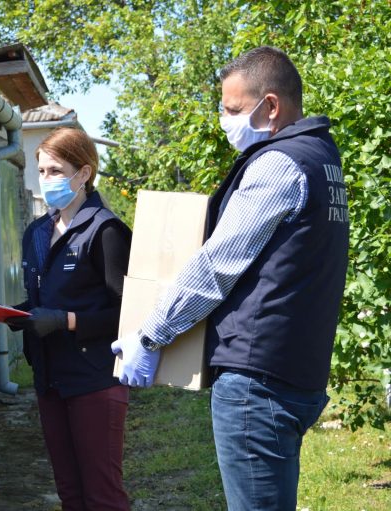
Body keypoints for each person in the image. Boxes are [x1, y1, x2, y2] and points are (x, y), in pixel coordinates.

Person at [112, 46, 349, 510]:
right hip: (296, 371)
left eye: (234, 109)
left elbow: (216, 266)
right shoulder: (323, 157)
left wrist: (150, 335)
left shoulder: (279, 165)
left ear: (272, 106)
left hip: (256, 384)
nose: (225, 120)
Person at [0, 128, 132, 510]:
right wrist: (12, 316)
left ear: (84, 173)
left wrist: (66, 321)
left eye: (55, 171)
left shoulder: (105, 231)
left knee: (102, 494)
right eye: (41, 171)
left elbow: (128, 313)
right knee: (70, 492)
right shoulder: (38, 232)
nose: (46, 180)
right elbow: (41, 299)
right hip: (50, 377)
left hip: (94, 377)